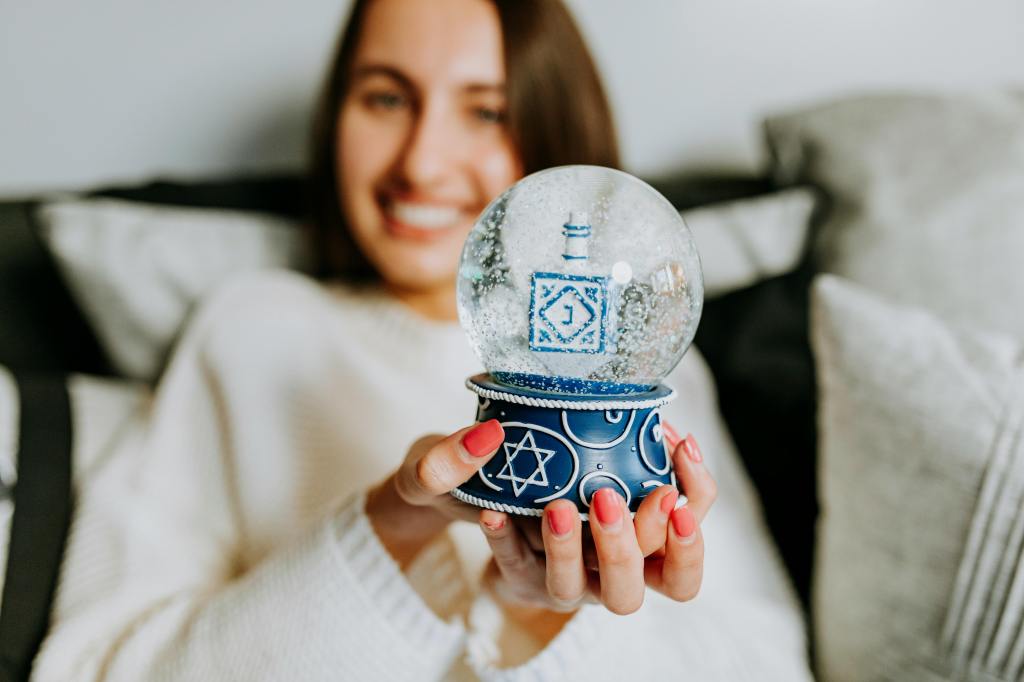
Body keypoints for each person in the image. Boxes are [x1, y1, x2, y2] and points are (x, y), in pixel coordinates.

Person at [32, 0, 812, 679]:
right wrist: (394, 523)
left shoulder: (646, 370)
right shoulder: (250, 333)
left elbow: (772, 667)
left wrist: (539, 610)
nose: (422, 162)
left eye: (486, 111)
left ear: (552, 128)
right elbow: (97, 669)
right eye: (386, 98)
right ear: (336, 115)